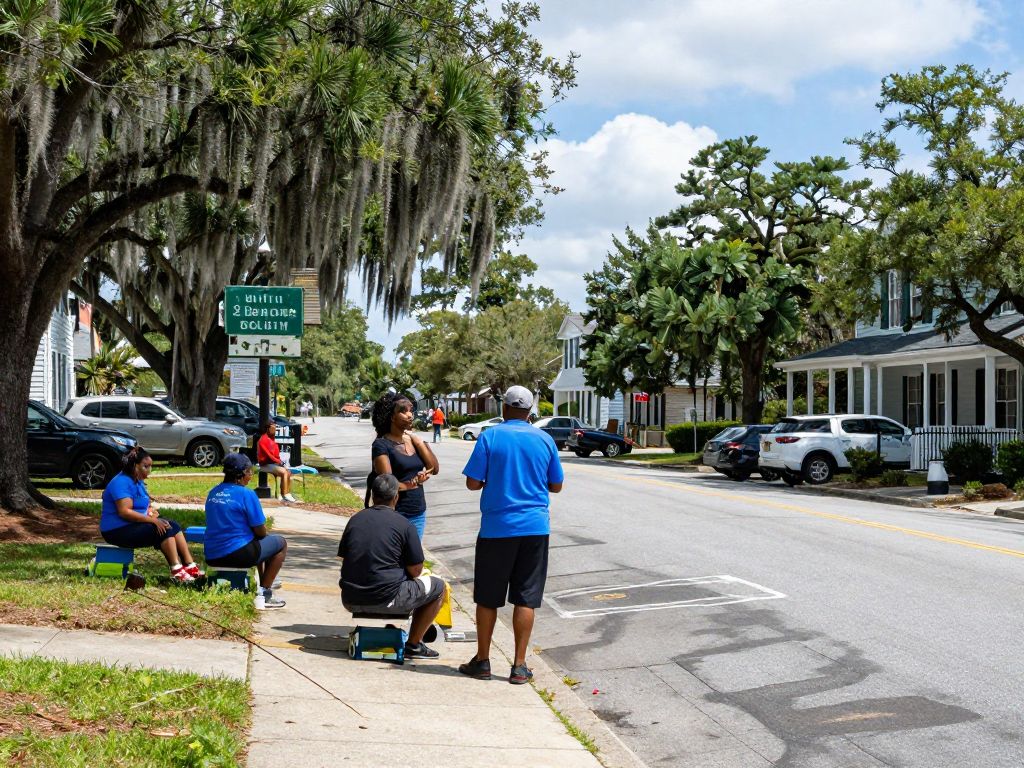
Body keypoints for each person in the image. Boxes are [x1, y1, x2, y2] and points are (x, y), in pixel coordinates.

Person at [459, 385, 563, 684]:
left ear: (503, 408)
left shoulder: (490, 436)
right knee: (526, 598)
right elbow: (556, 485)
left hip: (496, 529)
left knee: (488, 598)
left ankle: (482, 661)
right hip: (534, 528)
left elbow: (472, 483)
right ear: (530, 412)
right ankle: (519, 666)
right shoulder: (544, 440)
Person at [338, 474, 444, 659]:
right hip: (386, 599)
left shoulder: (355, 520)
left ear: (372, 496)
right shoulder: (405, 525)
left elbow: (346, 559)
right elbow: (416, 571)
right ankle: (414, 644)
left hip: (350, 598)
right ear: (396, 497)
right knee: (439, 587)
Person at [100, 447, 204, 584]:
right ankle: (177, 571)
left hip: (133, 525)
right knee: (163, 529)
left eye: (150, 466)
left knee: (173, 525)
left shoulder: (138, 481)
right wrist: (152, 521)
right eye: (145, 466)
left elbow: (143, 505)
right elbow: (124, 511)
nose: (149, 470)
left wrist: (150, 512)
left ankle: (189, 566)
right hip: (116, 531)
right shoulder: (121, 482)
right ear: (134, 466)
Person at [204, 452, 288, 610]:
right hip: (239, 554)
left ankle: (262, 582)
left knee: (257, 544)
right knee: (280, 543)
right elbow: (261, 531)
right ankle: (265, 593)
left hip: (212, 554)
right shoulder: (247, 494)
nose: (250, 476)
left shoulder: (213, 492)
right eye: (249, 472)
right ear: (241, 474)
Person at [370, 393, 438, 540]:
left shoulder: (414, 441)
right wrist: (413, 484)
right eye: (403, 411)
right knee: (395, 558)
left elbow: (434, 468)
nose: (410, 415)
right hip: (395, 512)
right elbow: (388, 484)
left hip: (418, 512)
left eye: (410, 410)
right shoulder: (381, 444)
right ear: (391, 417)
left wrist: (419, 442)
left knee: (413, 558)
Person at [256, 421, 298, 503]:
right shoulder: (263, 439)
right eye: (273, 428)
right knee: (284, 472)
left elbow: (276, 454)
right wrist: (279, 462)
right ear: (268, 429)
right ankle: (285, 495)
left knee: (288, 472)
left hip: (273, 463)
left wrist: (280, 462)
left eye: (275, 429)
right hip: (265, 464)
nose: (275, 431)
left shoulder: (272, 439)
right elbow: (268, 455)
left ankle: (286, 493)